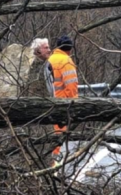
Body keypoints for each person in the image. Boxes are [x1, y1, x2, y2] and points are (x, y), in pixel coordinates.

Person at [48, 35, 78, 166]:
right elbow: (71, 85)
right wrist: (74, 105)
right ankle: (57, 165)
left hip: (50, 102)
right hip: (63, 104)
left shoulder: (50, 59)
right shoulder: (66, 61)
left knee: (55, 134)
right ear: (70, 49)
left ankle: (55, 161)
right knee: (61, 135)